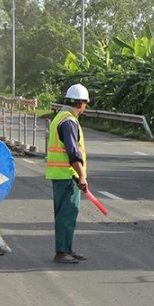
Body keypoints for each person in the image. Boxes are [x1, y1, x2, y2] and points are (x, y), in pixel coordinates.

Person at [46, 83, 90, 264]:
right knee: (67, 213)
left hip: (60, 174)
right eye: (85, 104)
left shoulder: (59, 117)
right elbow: (73, 152)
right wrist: (81, 175)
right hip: (68, 175)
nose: (84, 108)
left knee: (65, 213)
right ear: (80, 104)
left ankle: (67, 249)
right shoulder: (69, 122)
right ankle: (62, 251)